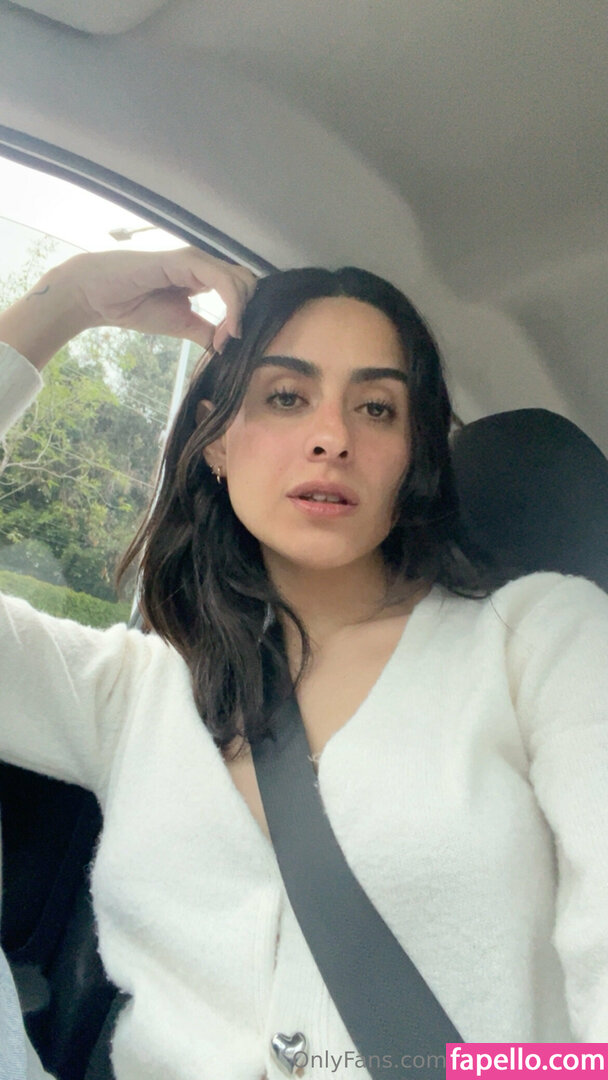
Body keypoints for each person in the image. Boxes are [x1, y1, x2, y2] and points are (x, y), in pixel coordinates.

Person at [0, 246, 606, 1080]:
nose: (332, 438)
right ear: (215, 441)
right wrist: (63, 301)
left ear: (414, 458)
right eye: (286, 397)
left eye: (378, 409)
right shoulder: (131, 689)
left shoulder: (542, 642)